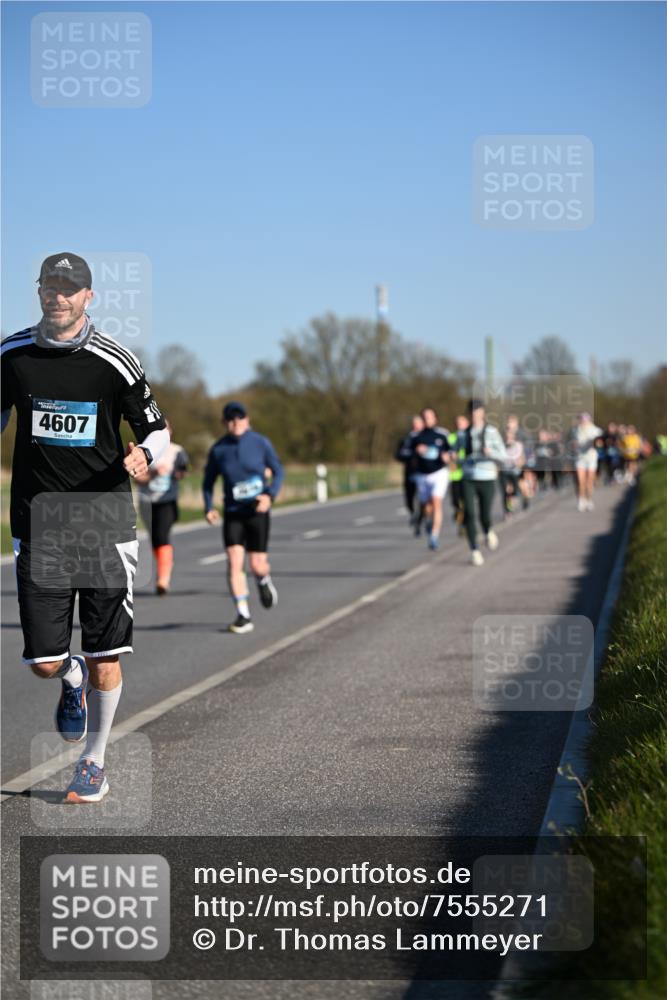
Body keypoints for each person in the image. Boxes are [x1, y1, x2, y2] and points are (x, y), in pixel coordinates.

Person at [1, 252, 169, 802]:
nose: (58, 296)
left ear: (88, 296)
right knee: (45, 663)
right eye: (50, 286)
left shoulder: (113, 361)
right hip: (39, 524)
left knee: (106, 655)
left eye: (69, 288)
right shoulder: (12, 354)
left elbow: (159, 430)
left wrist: (145, 452)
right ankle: (66, 677)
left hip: (105, 524)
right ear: (40, 291)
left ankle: (93, 763)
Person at [203, 401, 283, 634]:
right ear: (224, 423)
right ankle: (243, 614)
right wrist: (209, 507)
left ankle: (263, 580)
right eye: (230, 419)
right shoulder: (218, 449)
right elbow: (208, 482)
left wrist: (270, 495)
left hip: (257, 511)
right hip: (233, 513)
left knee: (257, 564)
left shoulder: (260, 443)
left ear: (247, 420)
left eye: (239, 418)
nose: (235, 423)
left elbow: (278, 470)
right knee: (234, 561)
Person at [135, 420, 189, 595]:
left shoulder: (177, 451)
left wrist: (175, 474)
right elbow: (137, 478)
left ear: (170, 431)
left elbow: (183, 471)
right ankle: (164, 566)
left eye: (166, 428)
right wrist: (154, 473)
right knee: (155, 538)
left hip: (167, 500)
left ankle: (163, 579)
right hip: (147, 501)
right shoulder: (142, 450)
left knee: (162, 535)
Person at [461, 399, 506, 566]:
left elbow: (503, 455)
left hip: (486, 477)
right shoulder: (463, 434)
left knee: (484, 515)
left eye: (477, 410)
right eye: (471, 411)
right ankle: (474, 550)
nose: (474, 414)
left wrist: (491, 452)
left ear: (483, 413)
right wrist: (452, 457)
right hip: (468, 478)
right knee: (469, 515)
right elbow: (456, 454)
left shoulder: (491, 432)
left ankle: (488, 531)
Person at [410, 407, 452, 551]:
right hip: (422, 475)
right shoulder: (416, 437)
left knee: (436, 501)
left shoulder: (442, 434)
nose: (427, 419)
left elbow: (452, 450)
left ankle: (434, 536)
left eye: (430, 417)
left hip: (439, 473)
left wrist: (449, 457)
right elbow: (405, 454)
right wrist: (415, 451)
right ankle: (428, 521)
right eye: (425, 417)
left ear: (435, 418)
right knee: (426, 507)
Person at [569, 412, 603, 511]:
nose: (582, 422)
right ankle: (581, 500)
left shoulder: (595, 430)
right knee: (581, 481)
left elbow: (601, 443)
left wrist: (597, 443)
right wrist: (574, 445)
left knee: (589, 481)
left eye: (584, 420)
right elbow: (572, 443)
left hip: (591, 458)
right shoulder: (576, 430)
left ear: (589, 421)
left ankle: (589, 500)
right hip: (580, 459)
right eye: (581, 420)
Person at [394, 414, 424, 523]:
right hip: (410, 472)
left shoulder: (427, 437)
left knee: (423, 498)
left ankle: (422, 517)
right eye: (414, 423)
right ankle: (413, 513)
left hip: (424, 473)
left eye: (418, 423)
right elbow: (398, 455)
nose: (415, 425)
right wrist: (412, 454)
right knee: (409, 499)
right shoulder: (406, 439)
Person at [448, 415, 468, 533]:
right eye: (457, 423)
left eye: (462, 422)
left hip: (466, 475)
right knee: (455, 501)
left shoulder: (469, 437)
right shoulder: (451, 437)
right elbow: (446, 452)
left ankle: (464, 525)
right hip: (455, 475)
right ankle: (458, 514)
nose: (459, 425)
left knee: (466, 501)